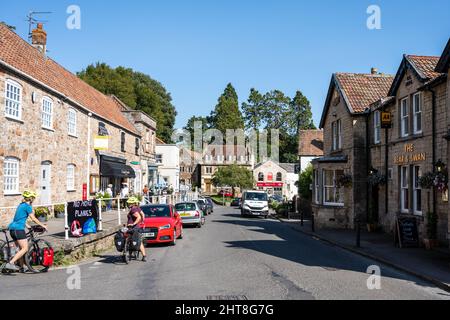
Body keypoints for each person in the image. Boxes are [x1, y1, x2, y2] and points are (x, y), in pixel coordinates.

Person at [2, 190, 48, 272]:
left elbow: (20, 218)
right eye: (33, 198)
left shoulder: (21, 205)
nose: (34, 199)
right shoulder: (27, 206)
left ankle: (22, 267)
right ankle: (11, 263)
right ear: (31, 199)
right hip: (18, 229)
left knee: (20, 249)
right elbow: (33, 218)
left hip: (12, 229)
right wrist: (42, 225)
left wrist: (27, 226)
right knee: (25, 248)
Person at [126, 197, 147, 262]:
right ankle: (144, 256)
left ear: (133, 203)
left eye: (129, 203)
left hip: (132, 227)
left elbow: (139, 217)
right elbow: (143, 215)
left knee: (129, 239)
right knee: (138, 241)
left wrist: (133, 224)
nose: (128, 204)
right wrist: (142, 222)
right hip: (137, 227)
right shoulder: (137, 208)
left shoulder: (133, 209)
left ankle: (127, 252)